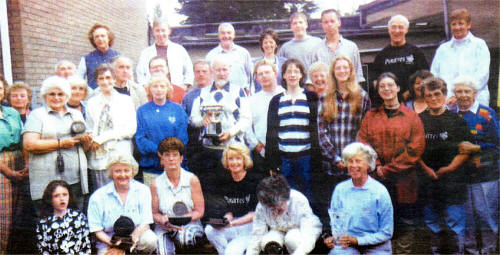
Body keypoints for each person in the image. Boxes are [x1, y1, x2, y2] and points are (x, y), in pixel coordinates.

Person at [358, 72, 425, 254]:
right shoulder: (371, 116)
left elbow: (415, 149)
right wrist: (377, 165)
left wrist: (388, 169)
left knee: (404, 221)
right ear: (378, 91)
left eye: (390, 85)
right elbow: (363, 143)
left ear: (398, 88)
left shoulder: (411, 117)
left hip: (404, 180)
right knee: (378, 220)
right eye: (382, 86)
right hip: (376, 179)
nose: (386, 89)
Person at [418, 77, 473, 254]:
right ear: (424, 98)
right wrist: (426, 169)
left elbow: (465, 151)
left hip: (453, 183)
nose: (433, 98)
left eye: (437, 94)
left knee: (455, 225)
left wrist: (449, 169)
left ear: (444, 94)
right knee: (433, 224)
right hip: (428, 182)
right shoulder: (418, 120)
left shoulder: (456, 121)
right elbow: (412, 151)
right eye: (429, 95)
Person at [316, 56, 371, 226]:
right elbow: (321, 130)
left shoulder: (362, 96)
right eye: (338, 68)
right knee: (335, 206)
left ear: (351, 71)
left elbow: (365, 128)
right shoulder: (326, 96)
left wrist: (351, 159)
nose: (342, 71)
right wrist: (336, 158)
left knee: (356, 204)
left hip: (354, 163)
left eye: (345, 68)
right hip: (332, 164)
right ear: (333, 72)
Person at [23, 76, 89, 209]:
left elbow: (84, 149)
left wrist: (86, 141)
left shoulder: (76, 114)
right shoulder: (37, 115)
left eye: (60, 94)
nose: (56, 97)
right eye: (52, 94)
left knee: (75, 216)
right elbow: (29, 144)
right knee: (48, 219)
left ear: (67, 96)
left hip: (75, 178)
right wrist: (60, 144)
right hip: (46, 179)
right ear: (45, 96)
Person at [450, 76, 499, 254]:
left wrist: (477, 147)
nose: (463, 95)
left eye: (467, 91)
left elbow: (498, 146)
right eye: (459, 91)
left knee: (486, 217)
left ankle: (488, 250)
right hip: (461, 177)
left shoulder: (486, 114)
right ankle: (470, 251)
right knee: (467, 218)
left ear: (475, 93)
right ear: (454, 94)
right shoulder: (451, 114)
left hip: (486, 176)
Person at [190, 55, 251, 187]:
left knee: (232, 186)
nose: (222, 74)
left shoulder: (239, 91)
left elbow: (246, 119)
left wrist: (231, 132)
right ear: (212, 71)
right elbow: (193, 119)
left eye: (225, 70)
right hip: (208, 149)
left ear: (229, 70)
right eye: (218, 70)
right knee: (212, 187)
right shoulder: (203, 93)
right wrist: (202, 121)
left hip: (232, 148)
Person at [324, 142, 393, 254]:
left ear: (368, 165)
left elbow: (387, 232)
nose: (354, 165)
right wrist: (332, 237)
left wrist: (358, 240)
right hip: (348, 245)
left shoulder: (380, 192)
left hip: (376, 247)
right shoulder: (340, 189)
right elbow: (335, 223)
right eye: (350, 161)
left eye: (358, 161)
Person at [266, 58, 320, 201]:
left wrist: (316, 158)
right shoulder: (276, 100)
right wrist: (272, 162)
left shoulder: (310, 97)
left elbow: (316, 129)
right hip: (285, 158)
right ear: (283, 75)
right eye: (288, 71)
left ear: (301, 75)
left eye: (296, 71)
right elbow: (271, 133)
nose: (292, 75)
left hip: (306, 157)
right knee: (287, 197)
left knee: (308, 195)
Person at [88, 155, 157, 255]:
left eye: (126, 170)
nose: (122, 175)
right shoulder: (98, 196)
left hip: (136, 236)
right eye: (118, 171)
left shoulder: (143, 190)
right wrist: (115, 245)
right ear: (111, 173)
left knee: (150, 239)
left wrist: (127, 244)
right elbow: (96, 229)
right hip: (109, 240)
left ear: (133, 172)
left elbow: (145, 223)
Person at [86, 64, 136, 192]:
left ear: (114, 79)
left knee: (123, 189)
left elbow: (130, 129)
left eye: (108, 78)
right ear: (97, 81)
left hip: (120, 151)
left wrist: (102, 138)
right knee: (102, 191)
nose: (105, 81)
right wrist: (90, 137)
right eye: (101, 78)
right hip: (99, 155)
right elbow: (90, 127)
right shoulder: (92, 103)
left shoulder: (126, 101)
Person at [150, 137, 204, 255]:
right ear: (162, 159)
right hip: (165, 227)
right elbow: (154, 213)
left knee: (185, 238)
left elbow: (200, 211)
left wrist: (181, 220)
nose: (171, 158)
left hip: (189, 225)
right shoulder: (155, 184)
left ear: (181, 158)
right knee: (162, 252)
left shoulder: (192, 179)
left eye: (175, 155)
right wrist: (163, 220)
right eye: (167, 155)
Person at [205, 143, 259, 255]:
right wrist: (227, 216)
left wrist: (233, 223)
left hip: (248, 227)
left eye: (238, 158)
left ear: (245, 160)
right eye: (231, 159)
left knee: (231, 252)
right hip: (232, 225)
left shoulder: (254, 180)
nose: (235, 162)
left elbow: (254, 214)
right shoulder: (223, 179)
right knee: (209, 230)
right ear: (226, 162)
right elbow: (225, 206)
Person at [246, 175, 322, 255]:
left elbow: (309, 235)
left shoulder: (298, 200)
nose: (275, 213)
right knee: (268, 242)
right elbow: (257, 235)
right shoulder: (261, 206)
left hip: (298, 231)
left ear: (286, 199)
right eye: (271, 210)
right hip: (276, 231)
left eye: (279, 209)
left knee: (292, 239)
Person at [431, 8, 490, 106]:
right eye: (454, 24)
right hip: (448, 102)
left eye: (461, 23)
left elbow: (482, 74)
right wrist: (444, 97)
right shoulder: (443, 49)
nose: (457, 27)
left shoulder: (479, 45)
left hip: (475, 101)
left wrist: (461, 95)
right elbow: (434, 74)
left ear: (469, 25)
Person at [135, 76, 188, 186]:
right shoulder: (142, 110)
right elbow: (140, 138)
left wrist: (169, 155)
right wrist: (159, 152)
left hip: (174, 164)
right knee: (153, 200)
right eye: (155, 86)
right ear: (150, 89)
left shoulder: (178, 109)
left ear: (168, 89)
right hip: (151, 165)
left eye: (162, 86)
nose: (159, 89)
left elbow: (182, 137)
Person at [371, 14, 429, 106]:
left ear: (406, 30)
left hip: (412, 103)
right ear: (389, 30)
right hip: (389, 103)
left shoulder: (416, 53)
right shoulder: (381, 55)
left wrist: (406, 95)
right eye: (393, 27)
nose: (397, 31)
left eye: (401, 27)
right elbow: (375, 81)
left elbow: (425, 78)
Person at [245, 59, 285, 177]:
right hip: (262, 153)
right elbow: (247, 125)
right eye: (260, 74)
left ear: (275, 74)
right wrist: (255, 145)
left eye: (267, 72)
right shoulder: (251, 101)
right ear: (257, 79)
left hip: (285, 150)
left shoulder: (286, 95)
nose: (264, 76)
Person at [0, 75, 26, 254]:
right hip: (2, 166)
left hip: (18, 163)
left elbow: (23, 140)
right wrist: (9, 172)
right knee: (3, 218)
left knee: (17, 215)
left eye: (0, 88)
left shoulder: (12, 113)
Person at [36, 180, 91, 255]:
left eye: (65, 194)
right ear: (50, 199)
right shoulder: (44, 222)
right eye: (56, 196)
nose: (62, 199)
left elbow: (86, 246)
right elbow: (43, 249)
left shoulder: (79, 217)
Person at [310, 9, 365, 83]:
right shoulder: (316, 50)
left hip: (348, 91)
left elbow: (358, 75)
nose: (329, 24)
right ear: (322, 25)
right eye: (326, 22)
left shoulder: (351, 47)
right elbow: (312, 78)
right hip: (325, 92)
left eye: (332, 21)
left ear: (339, 23)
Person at [136, 19, 193, 89]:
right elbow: (140, 73)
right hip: (153, 91)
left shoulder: (179, 50)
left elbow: (189, 70)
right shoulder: (146, 53)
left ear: (169, 31)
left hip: (176, 90)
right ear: (153, 32)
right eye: (157, 31)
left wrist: (185, 86)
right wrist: (145, 87)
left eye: (163, 30)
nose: (160, 34)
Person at [182, 60, 212, 173]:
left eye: (204, 71)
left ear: (211, 73)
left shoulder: (217, 92)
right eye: (198, 71)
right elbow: (186, 121)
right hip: (196, 146)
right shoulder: (188, 97)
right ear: (194, 74)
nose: (201, 74)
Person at [206, 23, 253, 93]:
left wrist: (250, 92)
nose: (226, 36)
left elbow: (251, 76)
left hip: (241, 94)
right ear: (219, 36)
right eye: (223, 33)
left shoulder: (243, 53)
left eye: (229, 33)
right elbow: (208, 78)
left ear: (234, 35)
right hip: (219, 95)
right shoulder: (211, 55)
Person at [77, 23, 120, 90]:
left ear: (108, 38)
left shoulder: (119, 57)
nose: (100, 39)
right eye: (96, 37)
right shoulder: (86, 59)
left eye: (103, 36)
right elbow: (78, 80)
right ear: (93, 40)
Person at [252, 29, 287, 93]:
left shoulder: (284, 62)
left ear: (276, 45)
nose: (268, 45)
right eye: (265, 42)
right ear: (262, 45)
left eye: (271, 42)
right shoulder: (254, 63)